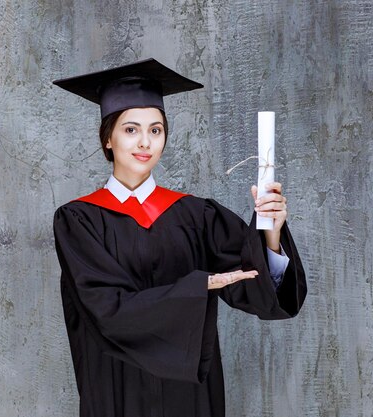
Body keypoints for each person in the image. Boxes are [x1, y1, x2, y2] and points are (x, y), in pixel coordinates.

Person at [52, 59, 307, 417]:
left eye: (156, 130)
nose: (145, 142)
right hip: (116, 389)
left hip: (188, 397)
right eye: (131, 130)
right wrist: (199, 286)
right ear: (107, 138)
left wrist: (272, 234)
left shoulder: (196, 215)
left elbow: (255, 287)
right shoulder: (78, 220)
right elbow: (105, 309)